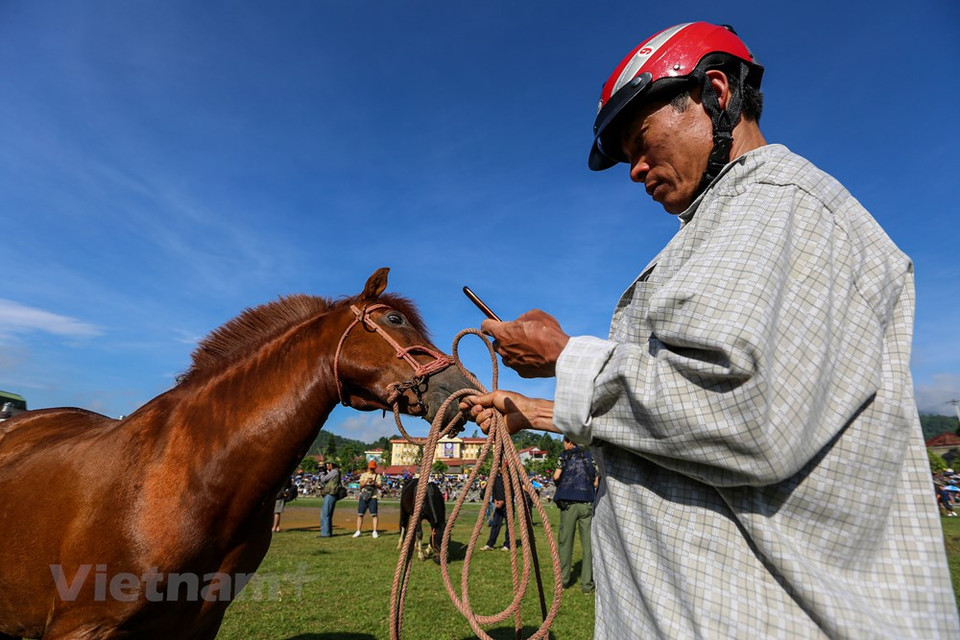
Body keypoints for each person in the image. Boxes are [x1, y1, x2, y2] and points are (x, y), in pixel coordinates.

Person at [461, 21, 960, 639]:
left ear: (716, 93)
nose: (636, 170)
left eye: (640, 141)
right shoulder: (734, 218)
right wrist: (536, 407)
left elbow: (742, 410)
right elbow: (683, 418)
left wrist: (566, 358)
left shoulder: (775, 204)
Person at [553, 436, 598, 592]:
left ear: (570, 442)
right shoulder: (591, 457)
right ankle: (587, 584)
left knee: (565, 543)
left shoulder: (565, 456)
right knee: (588, 545)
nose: (564, 446)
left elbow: (556, 476)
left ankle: (563, 581)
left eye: (564, 443)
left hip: (569, 504)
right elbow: (596, 482)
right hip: (587, 502)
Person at [480, 474, 510, 551]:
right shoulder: (496, 477)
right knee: (495, 524)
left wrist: (503, 500)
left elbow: (511, 490)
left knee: (509, 526)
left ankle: (507, 544)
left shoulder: (509, 477)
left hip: (508, 504)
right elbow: (494, 490)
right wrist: (495, 500)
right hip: (497, 504)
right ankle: (490, 544)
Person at [354, 459, 383, 538]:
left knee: (374, 514)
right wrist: (366, 481)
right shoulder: (364, 475)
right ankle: (358, 531)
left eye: (373, 468)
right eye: (371, 468)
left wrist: (375, 483)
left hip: (373, 497)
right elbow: (360, 485)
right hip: (364, 496)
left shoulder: (378, 476)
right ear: (368, 467)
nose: (372, 469)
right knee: (360, 514)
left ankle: (374, 531)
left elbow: (380, 486)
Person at [318, 460, 340, 538]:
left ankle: (325, 534)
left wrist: (321, 472)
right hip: (330, 494)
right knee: (327, 514)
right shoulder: (334, 471)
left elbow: (323, 479)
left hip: (331, 494)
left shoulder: (334, 472)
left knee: (325, 514)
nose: (327, 465)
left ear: (332, 464)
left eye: (328, 464)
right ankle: (327, 532)